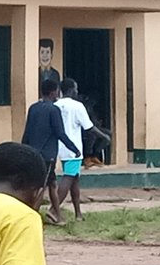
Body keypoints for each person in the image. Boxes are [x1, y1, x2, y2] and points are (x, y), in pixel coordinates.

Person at [21, 79, 80, 224]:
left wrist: (24, 149)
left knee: (52, 184)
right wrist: (74, 149)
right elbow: (60, 133)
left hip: (33, 152)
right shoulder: (54, 110)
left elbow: (27, 132)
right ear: (54, 92)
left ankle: (57, 216)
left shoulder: (33, 108)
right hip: (48, 156)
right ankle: (31, 217)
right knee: (42, 186)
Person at [55, 78, 109, 222]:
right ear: (72, 90)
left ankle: (78, 213)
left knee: (74, 180)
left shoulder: (56, 105)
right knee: (68, 178)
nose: (77, 92)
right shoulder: (77, 106)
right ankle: (54, 210)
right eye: (76, 89)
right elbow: (89, 127)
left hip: (59, 146)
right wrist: (105, 136)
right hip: (74, 149)